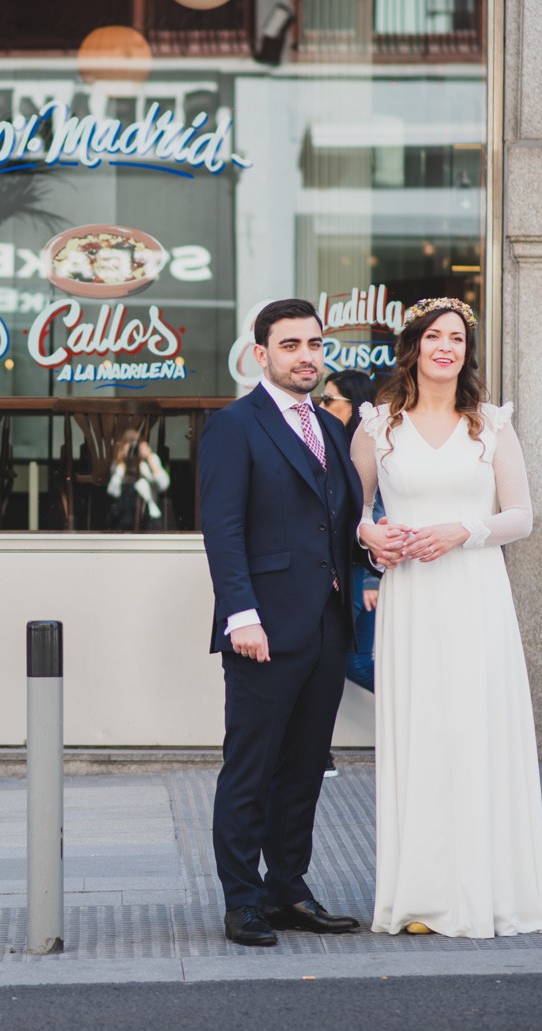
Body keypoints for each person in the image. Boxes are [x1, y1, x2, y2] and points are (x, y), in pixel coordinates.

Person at [352, 297, 542, 938]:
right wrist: (370, 535)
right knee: (420, 737)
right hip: (409, 598)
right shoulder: (377, 425)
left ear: (467, 351)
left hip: (474, 596)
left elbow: (521, 516)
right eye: (434, 336)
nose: (446, 348)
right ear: (413, 346)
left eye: (457, 339)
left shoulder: (489, 425)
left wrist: (461, 530)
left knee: (473, 733)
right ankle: (421, 894)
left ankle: (485, 889)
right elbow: (349, 513)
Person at [196, 298, 367, 948]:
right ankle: (242, 898)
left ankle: (288, 888)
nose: (306, 355)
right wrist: (241, 614)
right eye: (290, 344)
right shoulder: (234, 426)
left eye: (314, 343)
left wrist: (372, 546)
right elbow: (224, 527)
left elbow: (337, 521)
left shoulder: (330, 425)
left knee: (303, 768)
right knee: (251, 766)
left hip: (325, 626)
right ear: (261, 353)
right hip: (261, 628)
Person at [320, 370, 381, 696]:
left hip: (361, 572)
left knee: (354, 663)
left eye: (330, 399)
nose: (322, 405)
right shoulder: (337, 444)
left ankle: (422, 712)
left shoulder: (368, 447)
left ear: (354, 404)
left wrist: (372, 579)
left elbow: (380, 510)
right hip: (346, 571)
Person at [105, 427, 172, 530]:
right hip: (124, 512)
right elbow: (113, 491)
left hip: (147, 511)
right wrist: (121, 466)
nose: (133, 450)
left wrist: (149, 458)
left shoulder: (148, 462)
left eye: (135, 445)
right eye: (129, 445)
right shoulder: (119, 465)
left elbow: (163, 485)